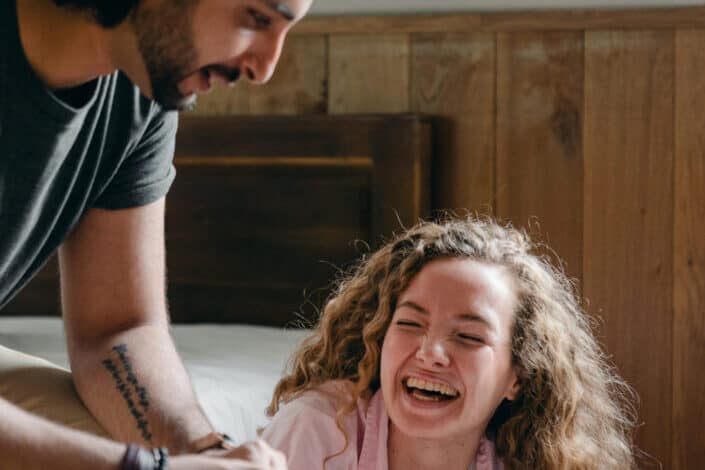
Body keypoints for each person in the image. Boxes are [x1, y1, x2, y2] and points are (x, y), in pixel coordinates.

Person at [0, 0, 311, 468]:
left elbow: (117, 327)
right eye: (258, 19)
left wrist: (207, 454)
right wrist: (142, 467)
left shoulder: (141, 91)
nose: (265, 69)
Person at [262, 217, 638, 469]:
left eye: (468, 337)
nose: (429, 353)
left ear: (518, 377)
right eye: (409, 323)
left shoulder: (530, 461)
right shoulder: (319, 430)